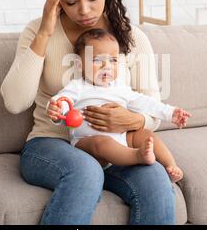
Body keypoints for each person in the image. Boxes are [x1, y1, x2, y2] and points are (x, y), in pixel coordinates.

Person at [0, 0, 176, 225]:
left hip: (118, 148)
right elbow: (15, 101)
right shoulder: (38, 31)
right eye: (70, 1)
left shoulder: (131, 38)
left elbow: (153, 110)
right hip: (52, 146)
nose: (84, 11)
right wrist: (45, 32)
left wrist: (130, 121)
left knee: (156, 179)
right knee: (85, 170)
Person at [46, 28, 191, 182]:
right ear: (79, 64)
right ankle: (137, 156)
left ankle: (171, 166)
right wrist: (57, 109)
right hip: (88, 143)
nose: (106, 66)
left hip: (121, 140)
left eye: (113, 60)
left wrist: (170, 113)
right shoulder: (78, 86)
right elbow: (63, 99)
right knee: (101, 142)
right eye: (97, 60)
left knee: (146, 135)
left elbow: (146, 103)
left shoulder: (120, 88)